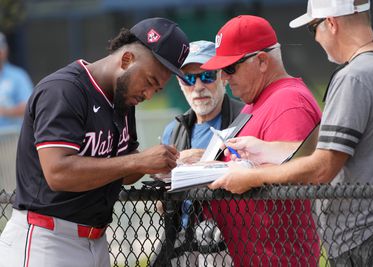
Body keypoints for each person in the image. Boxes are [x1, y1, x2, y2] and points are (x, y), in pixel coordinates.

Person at [210, 1, 373, 266]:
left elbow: (322, 168)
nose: (317, 38)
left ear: (331, 23)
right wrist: (267, 149)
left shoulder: (354, 77)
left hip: (367, 240)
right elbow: (346, 152)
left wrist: (252, 176)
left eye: (313, 28)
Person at [0, 17, 190, 267]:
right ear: (126, 60)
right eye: (150, 82)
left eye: (157, 89)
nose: (148, 94)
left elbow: (122, 170)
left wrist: (157, 165)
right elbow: (58, 173)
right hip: (47, 240)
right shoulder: (64, 90)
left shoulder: (123, 100)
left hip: (96, 242)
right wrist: (138, 161)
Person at [201, 15, 322, 266]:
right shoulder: (256, 100)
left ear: (262, 61)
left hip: (279, 258)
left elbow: (299, 176)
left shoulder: (289, 102)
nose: (223, 77)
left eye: (230, 68)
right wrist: (200, 160)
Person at [158, 40, 243, 266]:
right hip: (182, 239)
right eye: (188, 78)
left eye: (206, 76)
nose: (197, 86)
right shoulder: (173, 130)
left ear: (223, 77)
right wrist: (175, 165)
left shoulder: (244, 118)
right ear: (179, 82)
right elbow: (160, 201)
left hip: (229, 240)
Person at [0, 32, 33, 130]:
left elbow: (29, 107)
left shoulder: (18, 76)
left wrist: (4, 112)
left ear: (5, 51)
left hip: (11, 138)